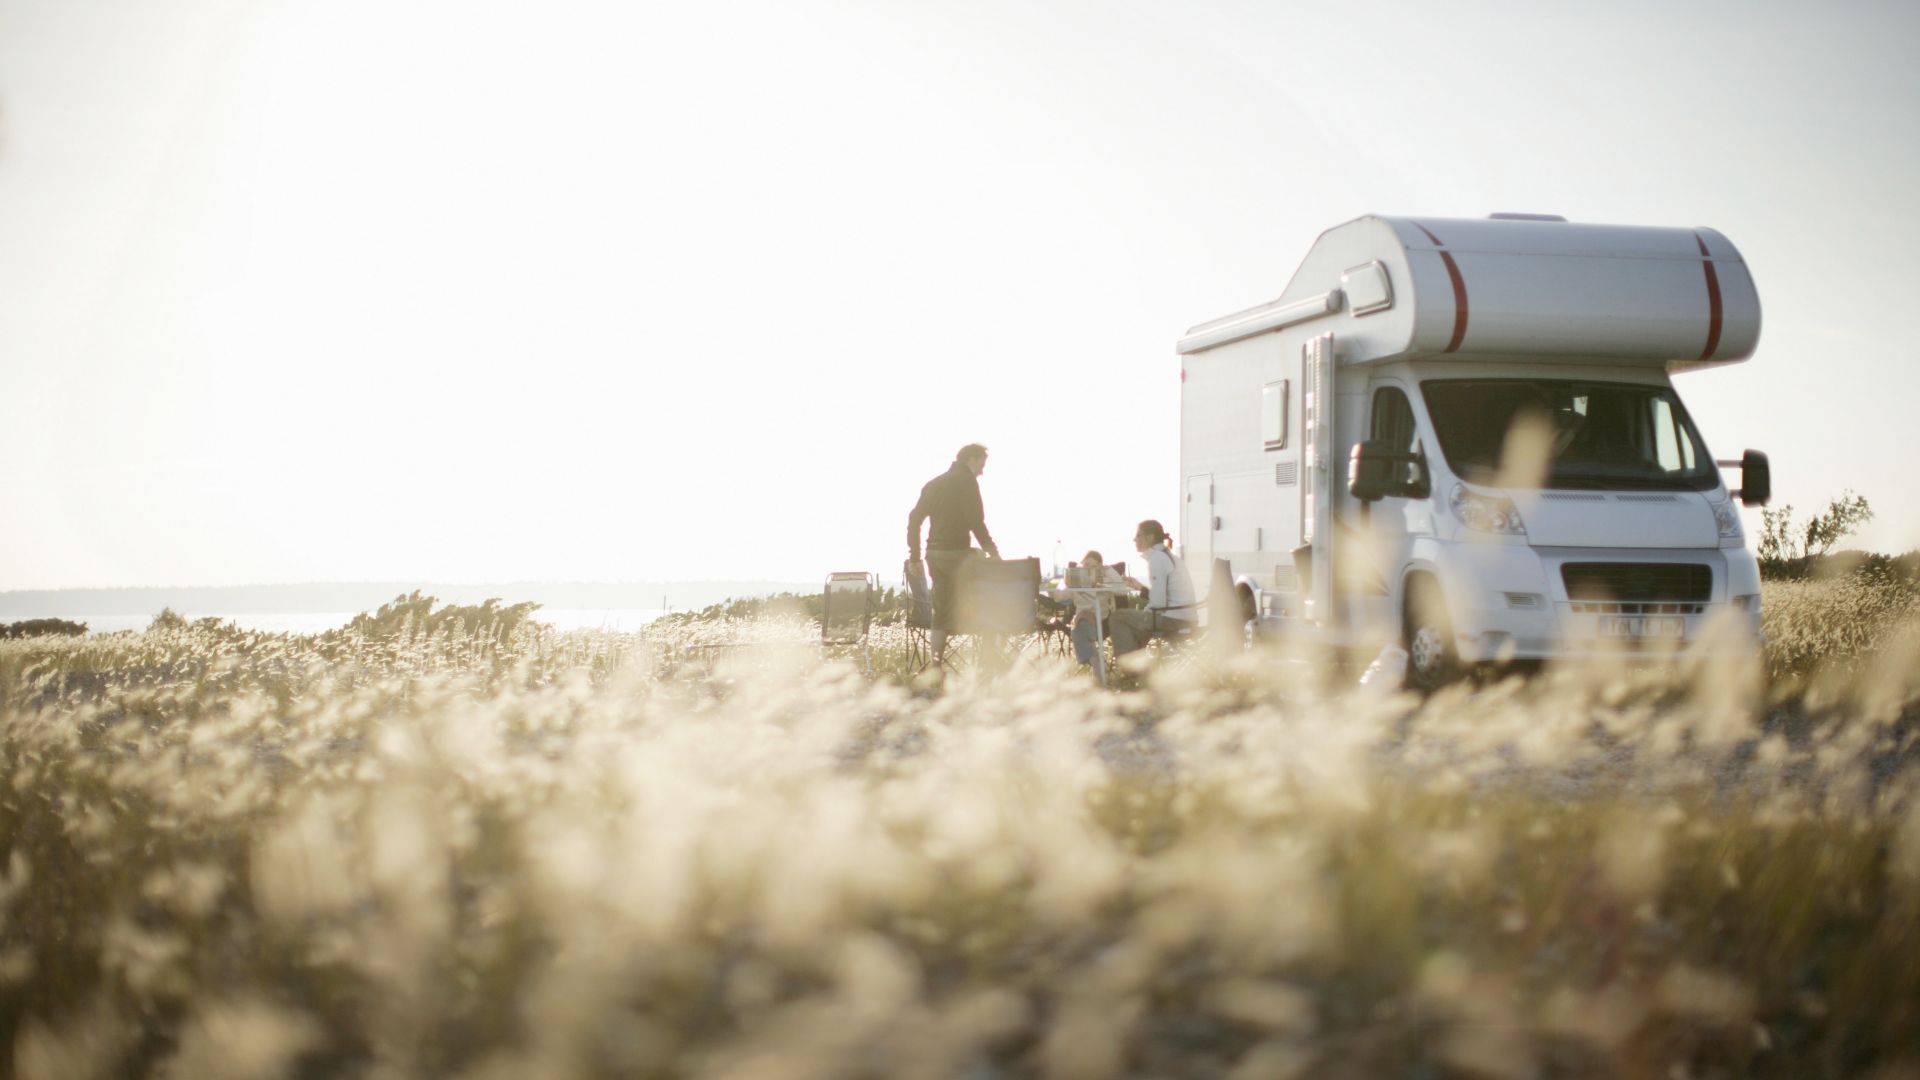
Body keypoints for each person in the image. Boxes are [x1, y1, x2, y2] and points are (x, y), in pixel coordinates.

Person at [906, 443, 999, 664]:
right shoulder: (967, 482)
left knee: (941, 613)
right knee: (990, 597)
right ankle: (988, 660)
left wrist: (915, 556)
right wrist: (993, 553)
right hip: (957, 554)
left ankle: (936, 667)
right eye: (982, 465)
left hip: (934, 556)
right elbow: (976, 522)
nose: (982, 471)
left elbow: (914, 520)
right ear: (971, 459)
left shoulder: (934, 483)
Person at [1109, 519, 1196, 657]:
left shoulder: (1157, 559)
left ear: (1150, 537)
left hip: (1175, 621)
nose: (1134, 539)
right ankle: (1136, 667)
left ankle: (1129, 668)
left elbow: (1158, 604)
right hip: (1185, 617)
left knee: (1117, 617)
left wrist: (1144, 615)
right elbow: (1165, 598)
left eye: (1137, 536)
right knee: (1139, 623)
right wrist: (1141, 588)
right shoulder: (1167, 556)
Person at [1067, 550, 1124, 667]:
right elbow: (1059, 598)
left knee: (1078, 631)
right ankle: (1099, 669)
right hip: (1081, 620)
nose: (1089, 569)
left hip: (1101, 622)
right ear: (1081, 565)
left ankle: (1092, 661)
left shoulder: (1104, 582)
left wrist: (1108, 570)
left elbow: (1122, 590)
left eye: (1094, 566)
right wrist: (1063, 582)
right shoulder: (1076, 581)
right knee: (1080, 625)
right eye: (1086, 565)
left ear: (1100, 568)